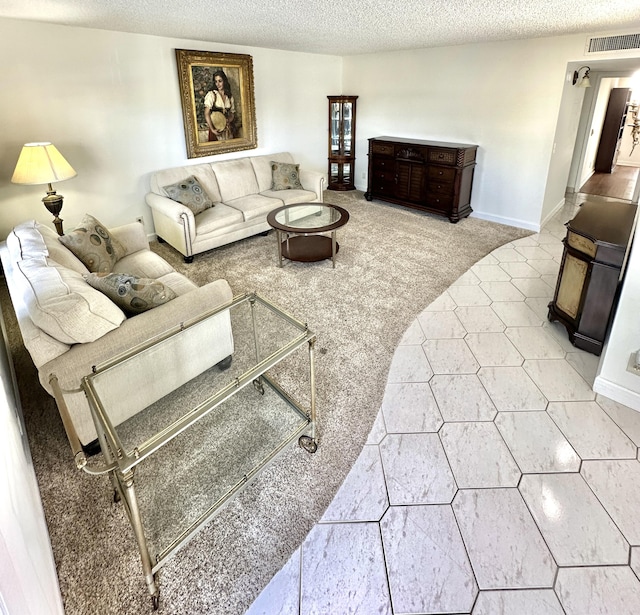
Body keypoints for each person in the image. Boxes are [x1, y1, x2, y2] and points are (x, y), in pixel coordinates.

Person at [204, 70, 236, 141]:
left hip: (227, 130)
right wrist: (212, 129)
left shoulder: (229, 97)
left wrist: (228, 121)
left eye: (220, 81)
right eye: (216, 81)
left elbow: (232, 113)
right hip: (216, 129)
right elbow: (206, 113)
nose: (218, 84)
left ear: (224, 81)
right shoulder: (212, 95)